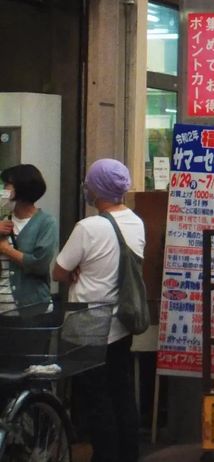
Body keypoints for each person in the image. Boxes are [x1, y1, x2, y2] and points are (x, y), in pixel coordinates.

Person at [54, 159, 146, 462]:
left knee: (96, 398)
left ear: (97, 189)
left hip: (87, 321)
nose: (86, 189)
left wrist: (75, 270)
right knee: (121, 392)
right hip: (122, 320)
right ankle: (128, 454)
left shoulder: (88, 227)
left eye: (89, 184)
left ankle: (105, 456)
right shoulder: (136, 221)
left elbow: (58, 270)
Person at [0, 165, 58, 310]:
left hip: (33, 310)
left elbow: (39, 264)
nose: (4, 189)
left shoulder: (46, 222)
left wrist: (5, 249)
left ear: (21, 187)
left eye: (7, 185)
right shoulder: (3, 220)